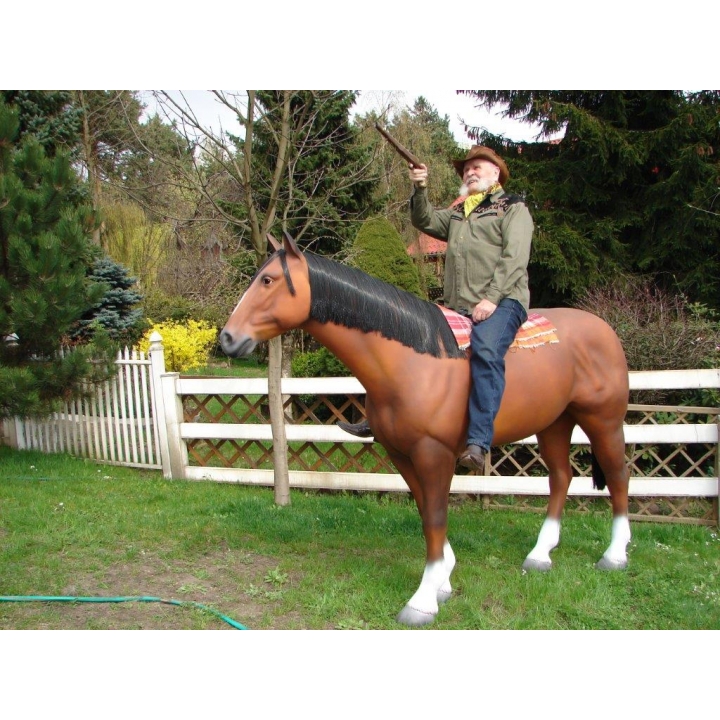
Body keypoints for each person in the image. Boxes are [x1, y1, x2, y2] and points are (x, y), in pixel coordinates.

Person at [339, 146, 533, 471]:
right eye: (466, 169)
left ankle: (478, 442)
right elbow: (424, 219)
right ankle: (382, 418)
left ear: (496, 172)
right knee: (412, 340)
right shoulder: (459, 213)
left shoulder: (512, 208)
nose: (470, 172)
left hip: (504, 301)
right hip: (459, 305)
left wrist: (492, 298)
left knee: (486, 351)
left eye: (477, 166)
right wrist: (420, 187)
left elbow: (515, 258)